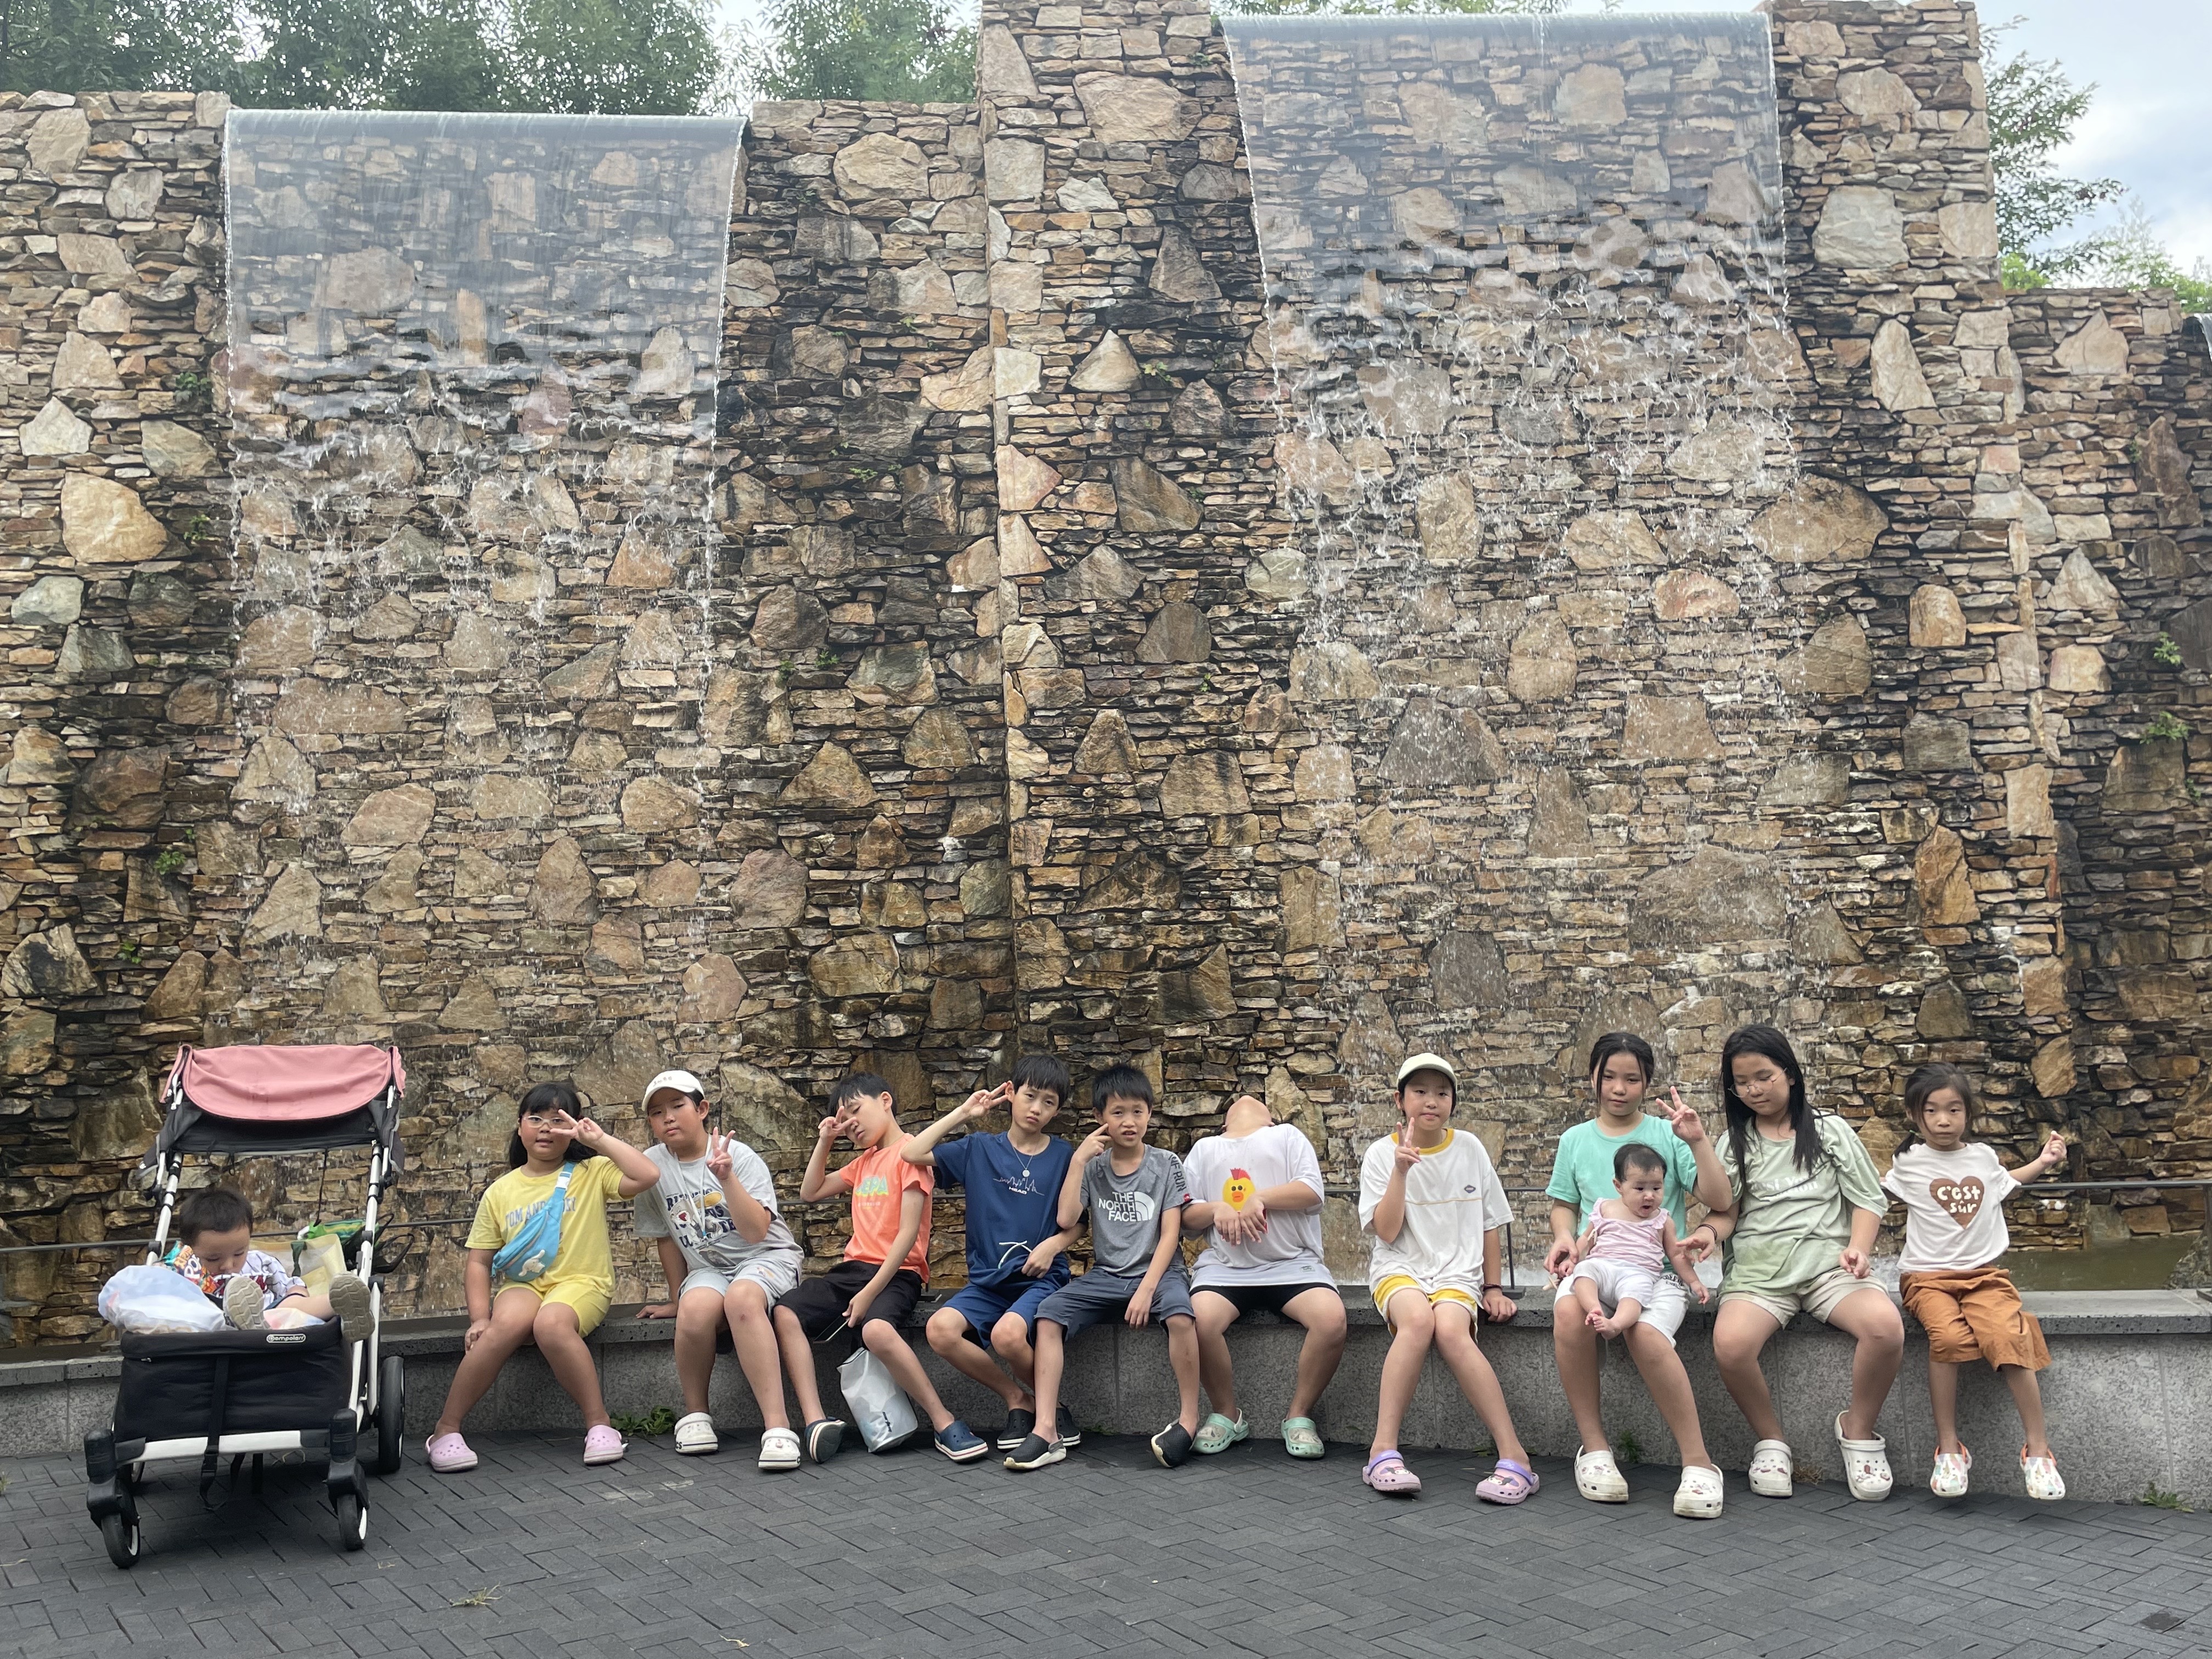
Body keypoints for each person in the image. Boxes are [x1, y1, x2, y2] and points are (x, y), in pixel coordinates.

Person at [1708, 1025, 1904, 1502]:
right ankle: (1771, 1441)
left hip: (1829, 1269)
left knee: (1885, 1328)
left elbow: (1867, 1199)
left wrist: (1859, 1249)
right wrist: (1706, 1235)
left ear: (1790, 1074)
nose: (1755, 1089)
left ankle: (1858, 1429)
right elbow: (1725, 1212)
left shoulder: (1829, 1131)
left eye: (1764, 1076)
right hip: (1760, 1275)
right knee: (1731, 1345)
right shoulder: (1734, 1143)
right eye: (1742, 1082)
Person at [426, 1082, 663, 1472]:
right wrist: (479, 1318)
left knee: (551, 1325)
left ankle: (600, 1425)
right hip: (524, 1285)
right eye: (536, 1118)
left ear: (574, 1128)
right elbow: (479, 1262)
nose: (547, 1128)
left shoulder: (591, 1172)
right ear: (519, 1126)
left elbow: (648, 1174)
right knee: (503, 1327)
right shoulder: (500, 1192)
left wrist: (598, 1140)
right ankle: (445, 1430)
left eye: (558, 1120)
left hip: (582, 1283)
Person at [1543, 1031, 1733, 1517]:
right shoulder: (1574, 1140)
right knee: (1569, 1312)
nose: (1618, 1088)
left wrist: (1697, 1141)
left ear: (1647, 1082)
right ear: (1593, 1076)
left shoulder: (1668, 1135)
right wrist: (1564, 1238)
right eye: (1609, 1076)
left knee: (1646, 1334)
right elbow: (1564, 1206)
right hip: (1597, 1265)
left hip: (1658, 1273)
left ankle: (1699, 1462)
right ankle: (1595, 1449)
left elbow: (1720, 1199)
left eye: (1632, 1079)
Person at [772, 1071, 990, 1464]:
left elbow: (908, 1234)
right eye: (845, 1121)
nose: (852, 1125)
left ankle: (943, 1422)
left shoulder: (910, 1155)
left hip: (899, 1273)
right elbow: (810, 1192)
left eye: (856, 1111)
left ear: (885, 1101)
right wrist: (826, 1140)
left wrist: (869, 1292)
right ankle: (815, 1421)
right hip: (853, 1271)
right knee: (786, 1310)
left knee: (876, 1330)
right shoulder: (863, 1163)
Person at [1003, 1064, 1201, 1472]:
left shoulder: (1166, 1163)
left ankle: (1188, 1421)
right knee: (1048, 1315)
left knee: (1181, 1316)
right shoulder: (1093, 1167)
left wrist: (1147, 1289)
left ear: (1150, 1113)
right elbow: (1066, 1219)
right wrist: (1078, 1160)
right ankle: (1046, 1430)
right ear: (1100, 1117)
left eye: (1138, 1112)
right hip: (1107, 1275)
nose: (1129, 1122)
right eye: (1118, 1113)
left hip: (1160, 1273)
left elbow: (1171, 1235)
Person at [1884, 1062, 2068, 1500]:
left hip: (1985, 1277)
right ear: (1914, 1115)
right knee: (1947, 1338)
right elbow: (1874, 1197)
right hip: (1928, 1279)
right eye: (1931, 1111)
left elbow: (2005, 1185)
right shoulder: (1908, 1163)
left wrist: (2043, 1162)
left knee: (2008, 1337)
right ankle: (1949, 1449)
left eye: (1953, 1110)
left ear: (1968, 1113)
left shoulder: (1983, 1157)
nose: (1943, 1120)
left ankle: (2038, 1451)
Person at [1358, 1053, 1537, 1504]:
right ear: (1400, 1100)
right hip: (1400, 1266)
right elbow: (1386, 1231)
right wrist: (1400, 1171)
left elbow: (1489, 1223)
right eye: (1420, 1092)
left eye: (1442, 1092)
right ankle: (1382, 1452)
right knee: (1419, 1321)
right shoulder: (1380, 1154)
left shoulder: (1470, 1148)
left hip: (1457, 1270)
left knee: (1453, 1331)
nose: (1431, 1101)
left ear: (1453, 1101)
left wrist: (1493, 1287)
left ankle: (1515, 1457)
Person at [629, 1069, 806, 1469]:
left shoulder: (737, 1155)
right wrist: (676, 1298)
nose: (668, 1117)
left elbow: (757, 1231)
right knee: (694, 1312)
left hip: (767, 1257)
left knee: (742, 1301)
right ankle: (697, 1417)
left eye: (678, 1106)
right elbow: (665, 1237)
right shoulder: (652, 1166)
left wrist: (725, 1178)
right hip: (709, 1269)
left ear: (702, 1109)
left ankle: (777, 1427)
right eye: (657, 1112)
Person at [902, 1056, 1077, 1452]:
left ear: (1057, 1110)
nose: (1036, 1108)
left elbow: (1079, 1222)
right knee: (940, 1330)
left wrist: (1053, 1245)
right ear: (1011, 1093)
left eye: (1049, 1102)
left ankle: (1052, 1411)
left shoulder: (1065, 1156)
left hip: (1040, 1278)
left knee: (1008, 1336)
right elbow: (912, 1153)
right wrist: (964, 1113)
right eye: (1030, 1096)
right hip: (988, 1282)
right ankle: (1019, 1400)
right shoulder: (978, 1148)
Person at [1178, 1090, 1346, 1459]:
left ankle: (1299, 1415)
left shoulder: (1286, 1136)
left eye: (1255, 1100)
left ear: (1270, 1118)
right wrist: (1217, 1208)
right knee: (1197, 1322)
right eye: (1236, 1101)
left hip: (1292, 1265)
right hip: (1226, 1269)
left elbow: (1311, 1190)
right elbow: (1186, 1218)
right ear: (1224, 1123)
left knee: (1331, 1320)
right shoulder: (1205, 1149)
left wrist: (1261, 1198)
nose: (1244, 1097)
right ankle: (1227, 1414)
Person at [166, 1186, 374, 1340]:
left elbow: (289, 1287)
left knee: (292, 1304)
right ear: (188, 1249)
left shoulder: (260, 1262)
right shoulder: (184, 1270)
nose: (228, 1265)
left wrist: (297, 1294)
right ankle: (246, 1323)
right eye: (213, 1259)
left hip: (273, 1321)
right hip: (215, 1330)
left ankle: (341, 1303)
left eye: (239, 1253)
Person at [1565, 1143, 1712, 1340]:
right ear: (1619, 1186)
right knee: (1584, 1271)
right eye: (1640, 1188)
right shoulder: (1605, 1208)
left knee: (1636, 1294)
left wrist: (1694, 1282)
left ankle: (1616, 1325)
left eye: (1657, 1188)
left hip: (1638, 1273)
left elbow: (1676, 1254)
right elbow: (1586, 1239)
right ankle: (1594, 1309)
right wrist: (1572, 1260)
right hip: (1603, 1265)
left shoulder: (1662, 1220)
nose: (1649, 1196)